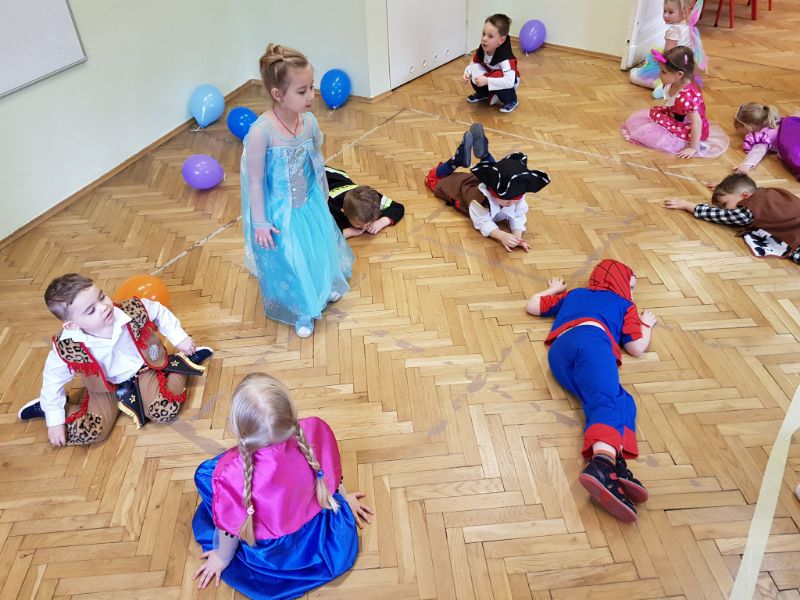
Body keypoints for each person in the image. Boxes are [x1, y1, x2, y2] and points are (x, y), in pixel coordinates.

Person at [192, 373, 373, 598]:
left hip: (274, 554)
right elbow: (329, 475)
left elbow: (231, 527)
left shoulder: (231, 476)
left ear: (236, 428)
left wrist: (222, 557)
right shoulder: (315, 430)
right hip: (316, 534)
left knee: (204, 475)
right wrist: (343, 502)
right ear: (289, 412)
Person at [526, 260, 657, 522]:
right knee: (604, 402)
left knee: (622, 400)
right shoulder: (625, 304)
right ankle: (603, 464)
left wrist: (553, 290)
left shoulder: (576, 294)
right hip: (593, 343)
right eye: (631, 287)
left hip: (559, 355)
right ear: (621, 284)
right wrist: (646, 325)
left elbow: (534, 306)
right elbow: (636, 348)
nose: (632, 293)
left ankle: (615, 459)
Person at [17, 273, 212, 446]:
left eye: (102, 296)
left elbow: (159, 312)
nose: (103, 307)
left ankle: (183, 362)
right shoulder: (66, 347)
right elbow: (53, 379)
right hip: (104, 388)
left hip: (144, 370)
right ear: (71, 325)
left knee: (164, 410)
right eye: (91, 310)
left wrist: (180, 338)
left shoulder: (131, 309)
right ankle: (46, 408)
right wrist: (54, 419)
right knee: (91, 431)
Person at [241, 44, 354, 338]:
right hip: (280, 209)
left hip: (309, 200)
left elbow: (315, 159)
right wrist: (260, 221)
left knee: (316, 247)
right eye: (302, 91)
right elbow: (255, 181)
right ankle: (303, 307)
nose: (311, 96)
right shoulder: (261, 132)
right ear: (278, 94)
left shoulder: (309, 123)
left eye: (311, 87)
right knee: (292, 258)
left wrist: (322, 193)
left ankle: (321, 286)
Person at [425, 123, 550, 252]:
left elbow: (518, 215)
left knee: (497, 175)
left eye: (515, 199)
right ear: (493, 192)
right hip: (460, 187)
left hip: (480, 181)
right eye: (507, 200)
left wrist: (517, 237)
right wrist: (501, 235)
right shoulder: (479, 201)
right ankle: (457, 160)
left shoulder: (515, 194)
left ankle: (485, 155)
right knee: (432, 179)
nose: (511, 203)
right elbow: (482, 222)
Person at [663, 173, 800, 262]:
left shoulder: (747, 211)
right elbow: (742, 188)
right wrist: (723, 189)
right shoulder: (764, 192)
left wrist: (688, 205)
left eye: (725, 204)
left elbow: (722, 216)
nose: (726, 209)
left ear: (745, 196)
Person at [622, 46, 728, 159]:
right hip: (673, 117)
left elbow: (697, 123)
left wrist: (693, 147)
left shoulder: (687, 96)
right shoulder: (673, 83)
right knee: (646, 125)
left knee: (652, 136)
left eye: (663, 72)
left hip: (688, 129)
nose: (660, 75)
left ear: (679, 74)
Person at [629, 0, 707, 99]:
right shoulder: (688, 27)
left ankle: (662, 85)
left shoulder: (673, 30)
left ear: (683, 12)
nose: (666, 15)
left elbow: (668, 54)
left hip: (673, 67)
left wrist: (657, 59)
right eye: (664, 11)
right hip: (685, 66)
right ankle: (679, 83)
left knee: (633, 76)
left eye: (670, 12)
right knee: (655, 54)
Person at [325, 166, 405, 239]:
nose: (364, 228)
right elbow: (325, 236)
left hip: (339, 178)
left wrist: (382, 221)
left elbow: (397, 207)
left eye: (368, 223)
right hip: (325, 175)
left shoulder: (373, 199)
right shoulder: (331, 208)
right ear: (343, 211)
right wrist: (350, 232)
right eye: (358, 224)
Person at [463, 13, 520, 113]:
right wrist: (467, 72)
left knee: (497, 75)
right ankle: (484, 94)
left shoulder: (505, 58)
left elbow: (509, 81)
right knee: (475, 68)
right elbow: (473, 63)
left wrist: (487, 81)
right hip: (490, 75)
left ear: (501, 40)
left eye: (490, 36)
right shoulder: (483, 48)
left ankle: (512, 100)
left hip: (509, 81)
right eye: (483, 34)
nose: (484, 39)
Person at [732, 103, 782, 174]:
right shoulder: (774, 121)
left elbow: (758, 151)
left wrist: (746, 165)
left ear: (747, 128)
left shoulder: (764, 136)